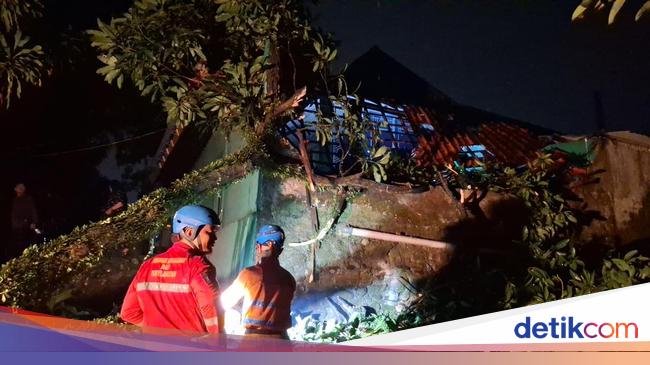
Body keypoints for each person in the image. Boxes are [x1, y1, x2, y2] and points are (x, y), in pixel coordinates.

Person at [120, 205, 224, 334]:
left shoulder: (147, 266)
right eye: (210, 232)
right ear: (189, 232)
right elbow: (211, 310)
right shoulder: (197, 266)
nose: (215, 238)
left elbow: (128, 313)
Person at [220, 225, 296, 339]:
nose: (256, 250)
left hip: (255, 340)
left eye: (257, 246)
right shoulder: (289, 279)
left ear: (267, 245)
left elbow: (224, 302)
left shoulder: (249, 274)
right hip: (282, 342)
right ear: (281, 250)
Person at [9, 183, 39, 258]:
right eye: (18, 188)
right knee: (19, 249)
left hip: (27, 227)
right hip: (17, 228)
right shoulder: (14, 200)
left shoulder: (28, 198)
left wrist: (34, 222)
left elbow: (33, 211)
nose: (20, 190)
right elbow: (14, 215)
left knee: (28, 247)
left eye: (21, 188)